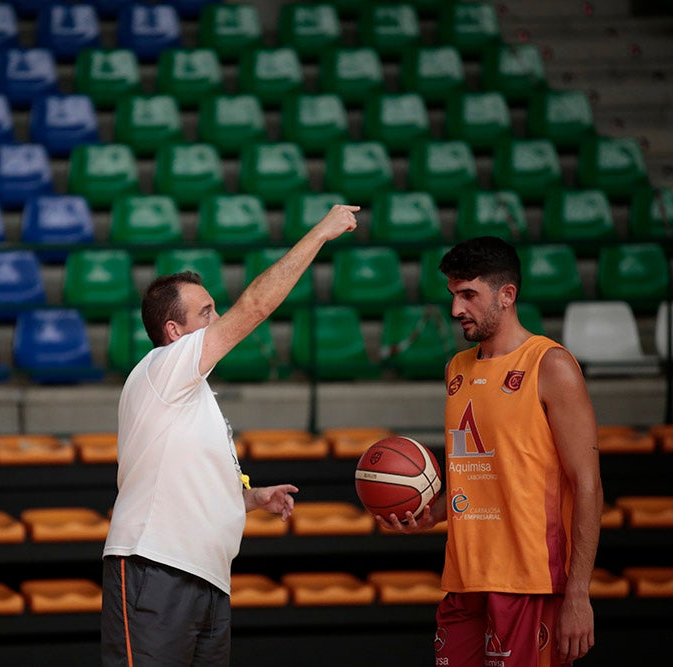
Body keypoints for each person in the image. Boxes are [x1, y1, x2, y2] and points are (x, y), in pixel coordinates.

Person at [100, 204, 360, 666]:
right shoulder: (164, 365)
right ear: (174, 331)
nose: (219, 317)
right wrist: (319, 234)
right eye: (207, 312)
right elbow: (255, 306)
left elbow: (189, 483)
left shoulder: (192, 394)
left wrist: (250, 499)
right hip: (156, 567)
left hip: (209, 578)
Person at [377, 236, 603, 666]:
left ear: (507, 295)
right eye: (452, 295)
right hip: (464, 579)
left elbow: (587, 485)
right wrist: (432, 513)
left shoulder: (551, 365)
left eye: (468, 295)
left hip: (530, 582)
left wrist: (578, 593)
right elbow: (478, 472)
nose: (455, 309)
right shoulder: (456, 369)